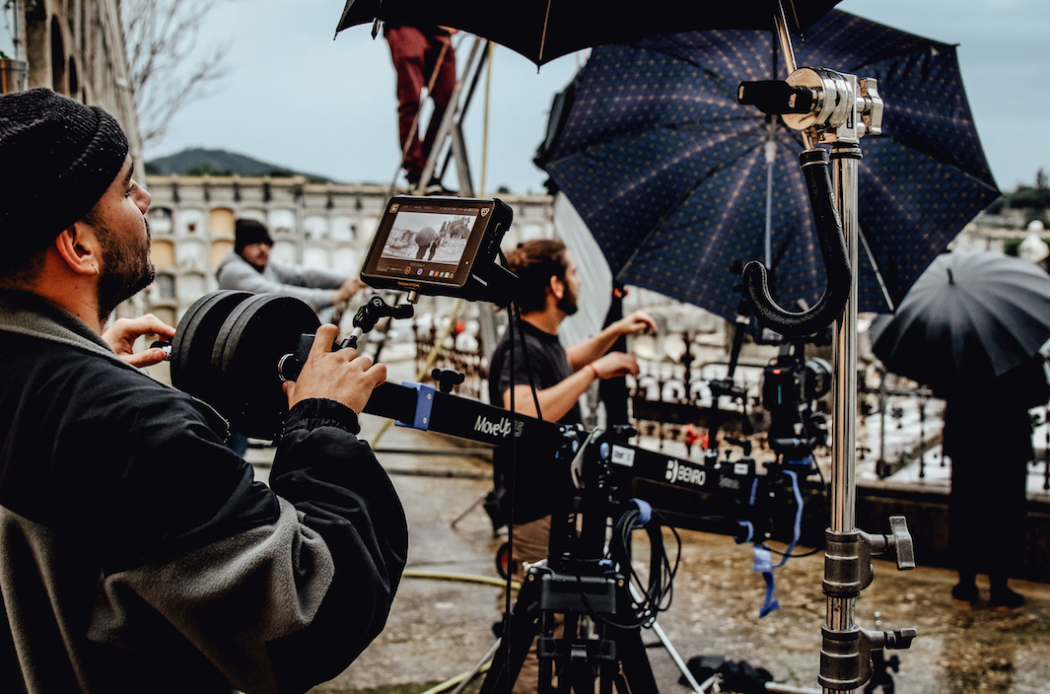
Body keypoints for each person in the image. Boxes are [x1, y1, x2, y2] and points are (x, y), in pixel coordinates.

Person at [0, 88, 407, 693]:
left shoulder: (55, 392)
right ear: (78, 246)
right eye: (126, 190)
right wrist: (321, 422)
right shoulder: (130, 429)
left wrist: (81, 361)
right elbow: (310, 613)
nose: (146, 200)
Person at [486, 239, 656, 693]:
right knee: (542, 632)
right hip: (537, 510)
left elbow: (564, 362)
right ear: (556, 286)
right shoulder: (519, 346)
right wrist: (596, 373)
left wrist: (614, 332)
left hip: (552, 507)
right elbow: (523, 408)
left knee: (561, 624)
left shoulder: (541, 341)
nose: (580, 280)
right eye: (574, 273)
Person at [943, 354, 1049, 609]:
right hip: (1007, 443)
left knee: (966, 511)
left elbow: (941, 386)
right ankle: (999, 588)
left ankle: (965, 586)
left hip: (967, 441)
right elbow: (1039, 394)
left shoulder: (957, 350)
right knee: (1005, 514)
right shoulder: (1018, 351)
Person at [216, 218, 366, 314]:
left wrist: (352, 280)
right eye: (255, 243)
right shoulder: (233, 272)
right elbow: (276, 294)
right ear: (241, 247)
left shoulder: (265, 264)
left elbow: (303, 275)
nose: (263, 249)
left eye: (267, 243)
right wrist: (335, 296)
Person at [384, 22, 457, 192]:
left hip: (440, 28)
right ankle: (416, 172)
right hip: (404, 22)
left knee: (449, 101)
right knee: (411, 99)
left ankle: (426, 167)